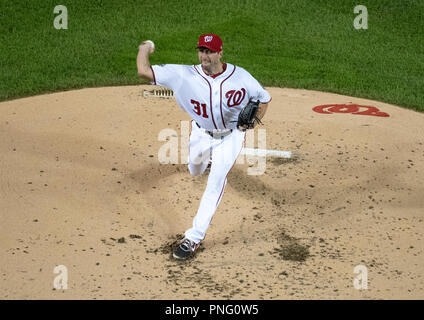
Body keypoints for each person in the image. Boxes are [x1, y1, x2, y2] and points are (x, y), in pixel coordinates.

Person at [137, 34, 271, 260]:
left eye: (209, 51)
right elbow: (144, 71)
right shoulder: (183, 75)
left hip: (231, 136)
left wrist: (251, 123)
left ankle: (193, 238)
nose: (204, 56)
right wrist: (144, 48)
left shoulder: (241, 77)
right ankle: (206, 161)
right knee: (194, 170)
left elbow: (264, 99)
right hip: (200, 133)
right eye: (201, 51)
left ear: (220, 53)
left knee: (215, 182)